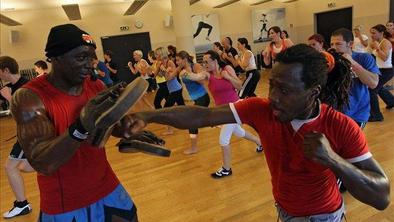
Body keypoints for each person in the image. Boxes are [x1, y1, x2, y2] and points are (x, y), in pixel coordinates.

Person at [122, 44, 390, 220]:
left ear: (313, 92)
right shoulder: (261, 109)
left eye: (284, 90)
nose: (272, 97)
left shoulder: (340, 126)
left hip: (323, 217)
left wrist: (333, 160)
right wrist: (148, 116)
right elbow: (203, 115)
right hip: (284, 212)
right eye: (272, 85)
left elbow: (381, 197)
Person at [10, 24, 138, 221]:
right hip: (65, 202)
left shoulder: (95, 85)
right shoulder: (28, 98)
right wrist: (81, 126)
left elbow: (106, 128)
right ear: (55, 58)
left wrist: (127, 126)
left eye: (91, 57)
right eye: (81, 57)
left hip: (106, 185)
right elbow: (43, 163)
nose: (90, 64)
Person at [178, 50, 262, 178]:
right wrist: (186, 74)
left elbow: (240, 86)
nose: (204, 64)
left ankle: (226, 169)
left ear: (215, 60)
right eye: (203, 62)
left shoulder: (227, 68)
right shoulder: (207, 74)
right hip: (223, 110)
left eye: (207, 61)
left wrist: (228, 77)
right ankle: (260, 142)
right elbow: (196, 77)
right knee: (238, 131)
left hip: (235, 107)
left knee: (223, 139)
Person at [0, 56, 34, 219]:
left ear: (6, 70)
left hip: (30, 132)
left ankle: (22, 204)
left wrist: (9, 97)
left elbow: (27, 112)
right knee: (23, 167)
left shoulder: (27, 86)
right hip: (24, 132)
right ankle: (55, 164)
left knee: (10, 167)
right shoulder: (9, 87)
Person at [330, 28, 379, 128]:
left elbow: (373, 83)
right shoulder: (332, 61)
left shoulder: (364, 58)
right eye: (332, 44)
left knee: (349, 143)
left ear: (350, 44)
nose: (334, 47)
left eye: (338, 44)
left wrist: (352, 62)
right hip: (334, 113)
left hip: (357, 114)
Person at [176, 51, 210, 154]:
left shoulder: (195, 66)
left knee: (191, 122)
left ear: (184, 59)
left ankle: (194, 148)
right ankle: (212, 121)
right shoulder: (182, 70)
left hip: (203, 97)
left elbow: (202, 81)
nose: (177, 62)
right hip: (196, 99)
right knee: (196, 119)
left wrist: (189, 73)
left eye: (178, 60)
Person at [368, 24, 394, 121]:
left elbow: (384, 58)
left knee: (372, 90)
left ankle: (376, 115)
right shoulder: (377, 42)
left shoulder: (385, 42)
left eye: (374, 33)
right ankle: (391, 101)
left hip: (387, 70)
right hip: (380, 69)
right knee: (379, 88)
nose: (372, 35)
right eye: (371, 33)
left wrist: (377, 48)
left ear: (381, 33)